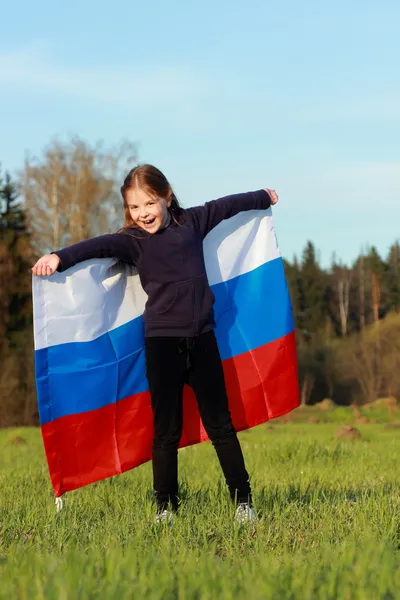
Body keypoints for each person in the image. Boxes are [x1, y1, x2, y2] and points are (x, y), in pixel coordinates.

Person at [32, 164, 278, 525]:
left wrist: (262, 196)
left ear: (166, 196)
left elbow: (228, 205)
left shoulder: (194, 221)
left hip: (203, 343)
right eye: (134, 207)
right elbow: (97, 245)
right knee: (166, 431)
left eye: (149, 203)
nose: (142, 213)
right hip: (163, 346)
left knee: (221, 427)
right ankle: (165, 507)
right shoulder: (134, 242)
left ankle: (243, 502)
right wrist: (58, 256)